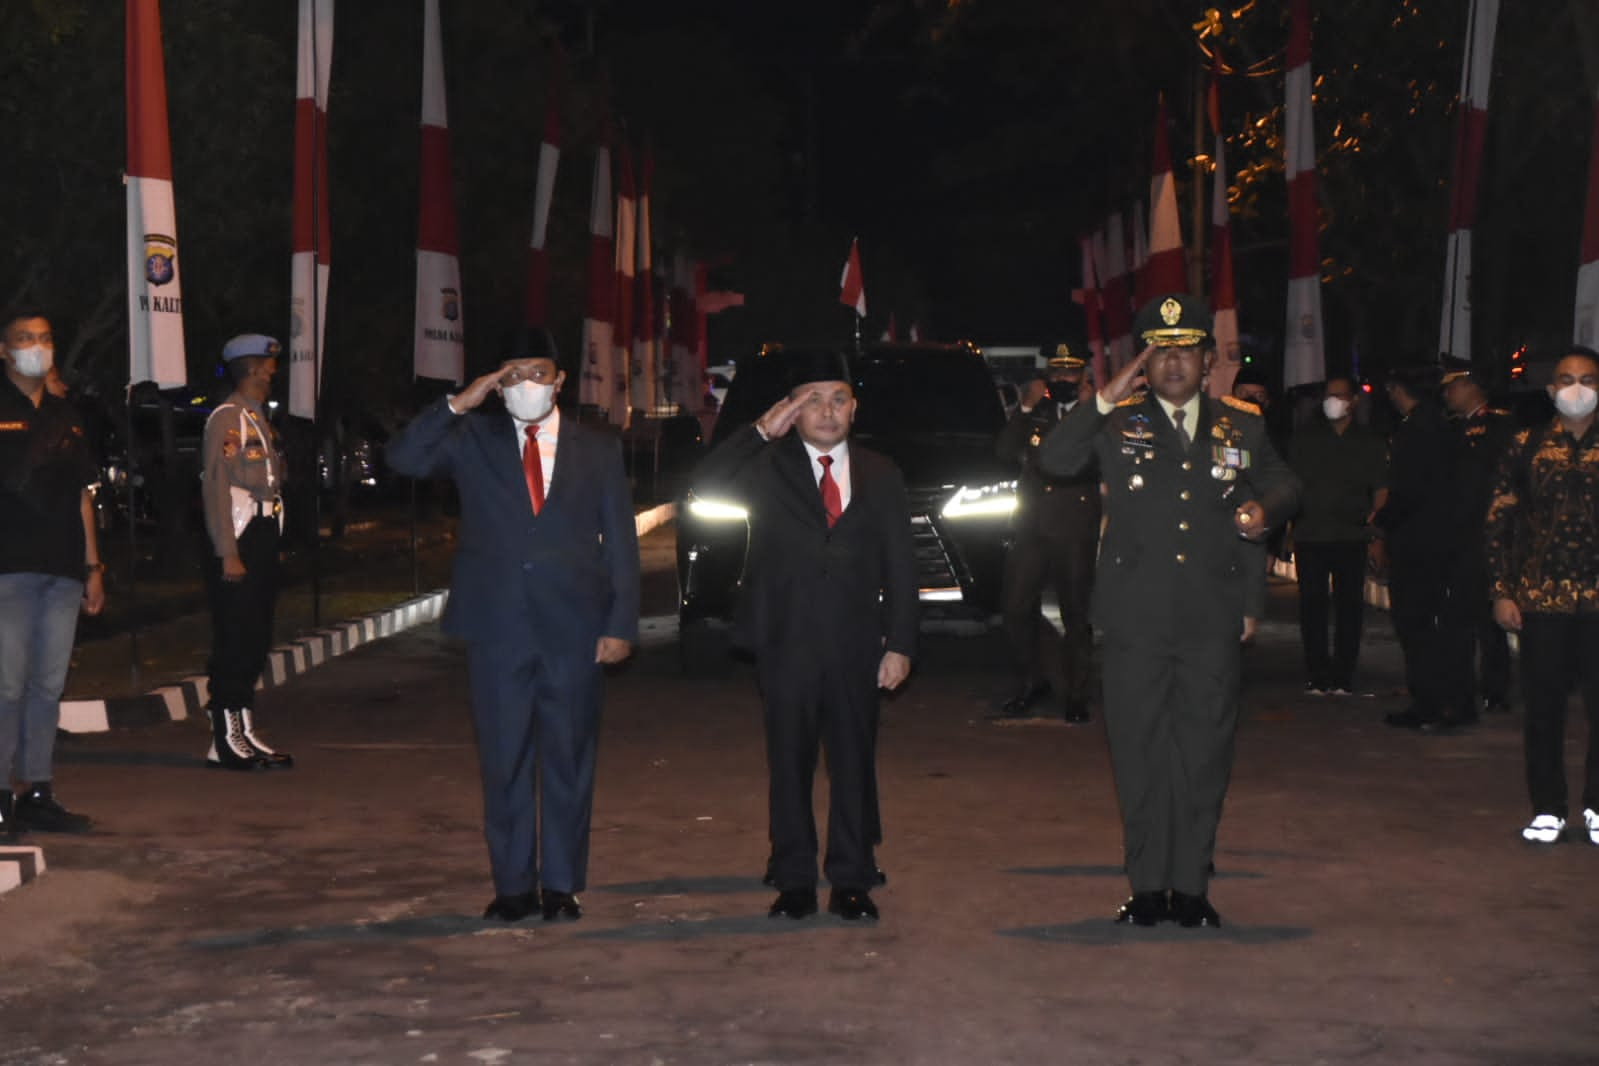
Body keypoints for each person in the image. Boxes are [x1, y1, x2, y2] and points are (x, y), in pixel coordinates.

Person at [1038, 294, 1299, 928]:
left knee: (1204, 753)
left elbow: (1285, 485)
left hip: (1212, 616)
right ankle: (1148, 886)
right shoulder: (1113, 421)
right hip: (1134, 618)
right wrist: (1106, 391)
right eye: (1160, 352)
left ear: (1209, 361)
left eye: (1187, 350)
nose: (1175, 362)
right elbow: (1054, 459)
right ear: (1144, 364)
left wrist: (1264, 518)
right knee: (1139, 751)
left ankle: (1191, 886)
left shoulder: (1243, 425)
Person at [386, 327, 639, 923]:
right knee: (504, 760)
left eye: (539, 373)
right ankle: (514, 886)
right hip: (498, 626)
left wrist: (621, 622)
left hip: (576, 628)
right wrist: (458, 402)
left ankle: (561, 885)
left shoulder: (596, 448)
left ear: (560, 380)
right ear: (499, 384)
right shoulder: (472, 438)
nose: (528, 385)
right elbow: (403, 458)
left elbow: (621, 545)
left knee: (568, 759)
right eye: (514, 374)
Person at [693, 349, 917, 922]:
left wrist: (901, 644)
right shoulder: (768, 467)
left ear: (853, 407)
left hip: (856, 644)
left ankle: (850, 877)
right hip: (784, 639)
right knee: (788, 764)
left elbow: (901, 566)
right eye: (811, 399)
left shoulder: (882, 473)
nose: (826, 410)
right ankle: (793, 877)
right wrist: (760, 431)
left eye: (837, 398)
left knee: (852, 761)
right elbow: (703, 483)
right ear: (793, 410)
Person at [1485, 347, 1599, 846]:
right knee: (1544, 708)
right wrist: (1501, 591)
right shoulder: (1526, 445)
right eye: (1567, 379)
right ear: (1551, 391)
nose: (1577, 388)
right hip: (1541, 599)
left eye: (1588, 379)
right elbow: (1499, 523)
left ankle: (1597, 808)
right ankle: (1548, 807)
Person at [0, 309, 104, 837]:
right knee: (7, 687)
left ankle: (38, 791)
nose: (35, 347)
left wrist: (93, 567)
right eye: (24, 339)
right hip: (9, 570)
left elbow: (83, 495)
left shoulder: (67, 416)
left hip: (63, 571)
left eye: (43, 338)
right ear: (4, 350)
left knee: (47, 687)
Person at [991, 343, 1100, 722]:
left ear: (1084, 378)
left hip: (1074, 522)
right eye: (1057, 375)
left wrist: (1090, 410)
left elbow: (1101, 458)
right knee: (1015, 606)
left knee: (1075, 612)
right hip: (1032, 523)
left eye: (1070, 375)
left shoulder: (1098, 415)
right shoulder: (1036, 413)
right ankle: (1031, 680)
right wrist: (1022, 407)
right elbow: (1004, 452)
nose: (1063, 381)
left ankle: (1076, 693)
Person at [200, 335, 293, 771]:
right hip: (239, 534)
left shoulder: (257, 419)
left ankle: (244, 728)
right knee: (235, 637)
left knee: (255, 635)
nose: (273, 372)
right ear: (253, 368)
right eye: (269, 365)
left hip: (263, 531)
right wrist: (227, 553)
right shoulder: (227, 420)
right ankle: (224, 738)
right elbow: (216, 487)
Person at [1374, 364, 1464, 732]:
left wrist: (1381, 523)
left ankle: (1430, 704)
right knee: (1434, 626)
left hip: (1417, 542)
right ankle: (1445, 701)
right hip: (1441, 539)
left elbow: (1408, 491)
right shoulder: (1442, 425)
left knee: (1416, 626)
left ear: (1397, 388)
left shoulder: (1416, 430)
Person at [1286, 377, 1388, 694]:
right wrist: (1288, 529)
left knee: (1350, 608)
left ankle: (1343, 674)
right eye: (1328, 396)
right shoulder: (1304, 439)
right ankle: (1317, 674)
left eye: (1339, 396)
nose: (1332, 401)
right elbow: (1289, 486)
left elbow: (1381, 489)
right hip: (1311, 535)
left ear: (1354, 400)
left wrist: (1376, 532)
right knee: (1312, 607)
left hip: (1352, 535)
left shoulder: (1369, 441)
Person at [1441, 355, 1514, 717]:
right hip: (1460, 540)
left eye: (1452, 386)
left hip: (1487, 537)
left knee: (1489, 619)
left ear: (1470, 385)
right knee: (1465, 618)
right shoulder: (1452, 428)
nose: (1448, 394)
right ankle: (1466, 690)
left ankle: (1494, 690)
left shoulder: (1498, 428)